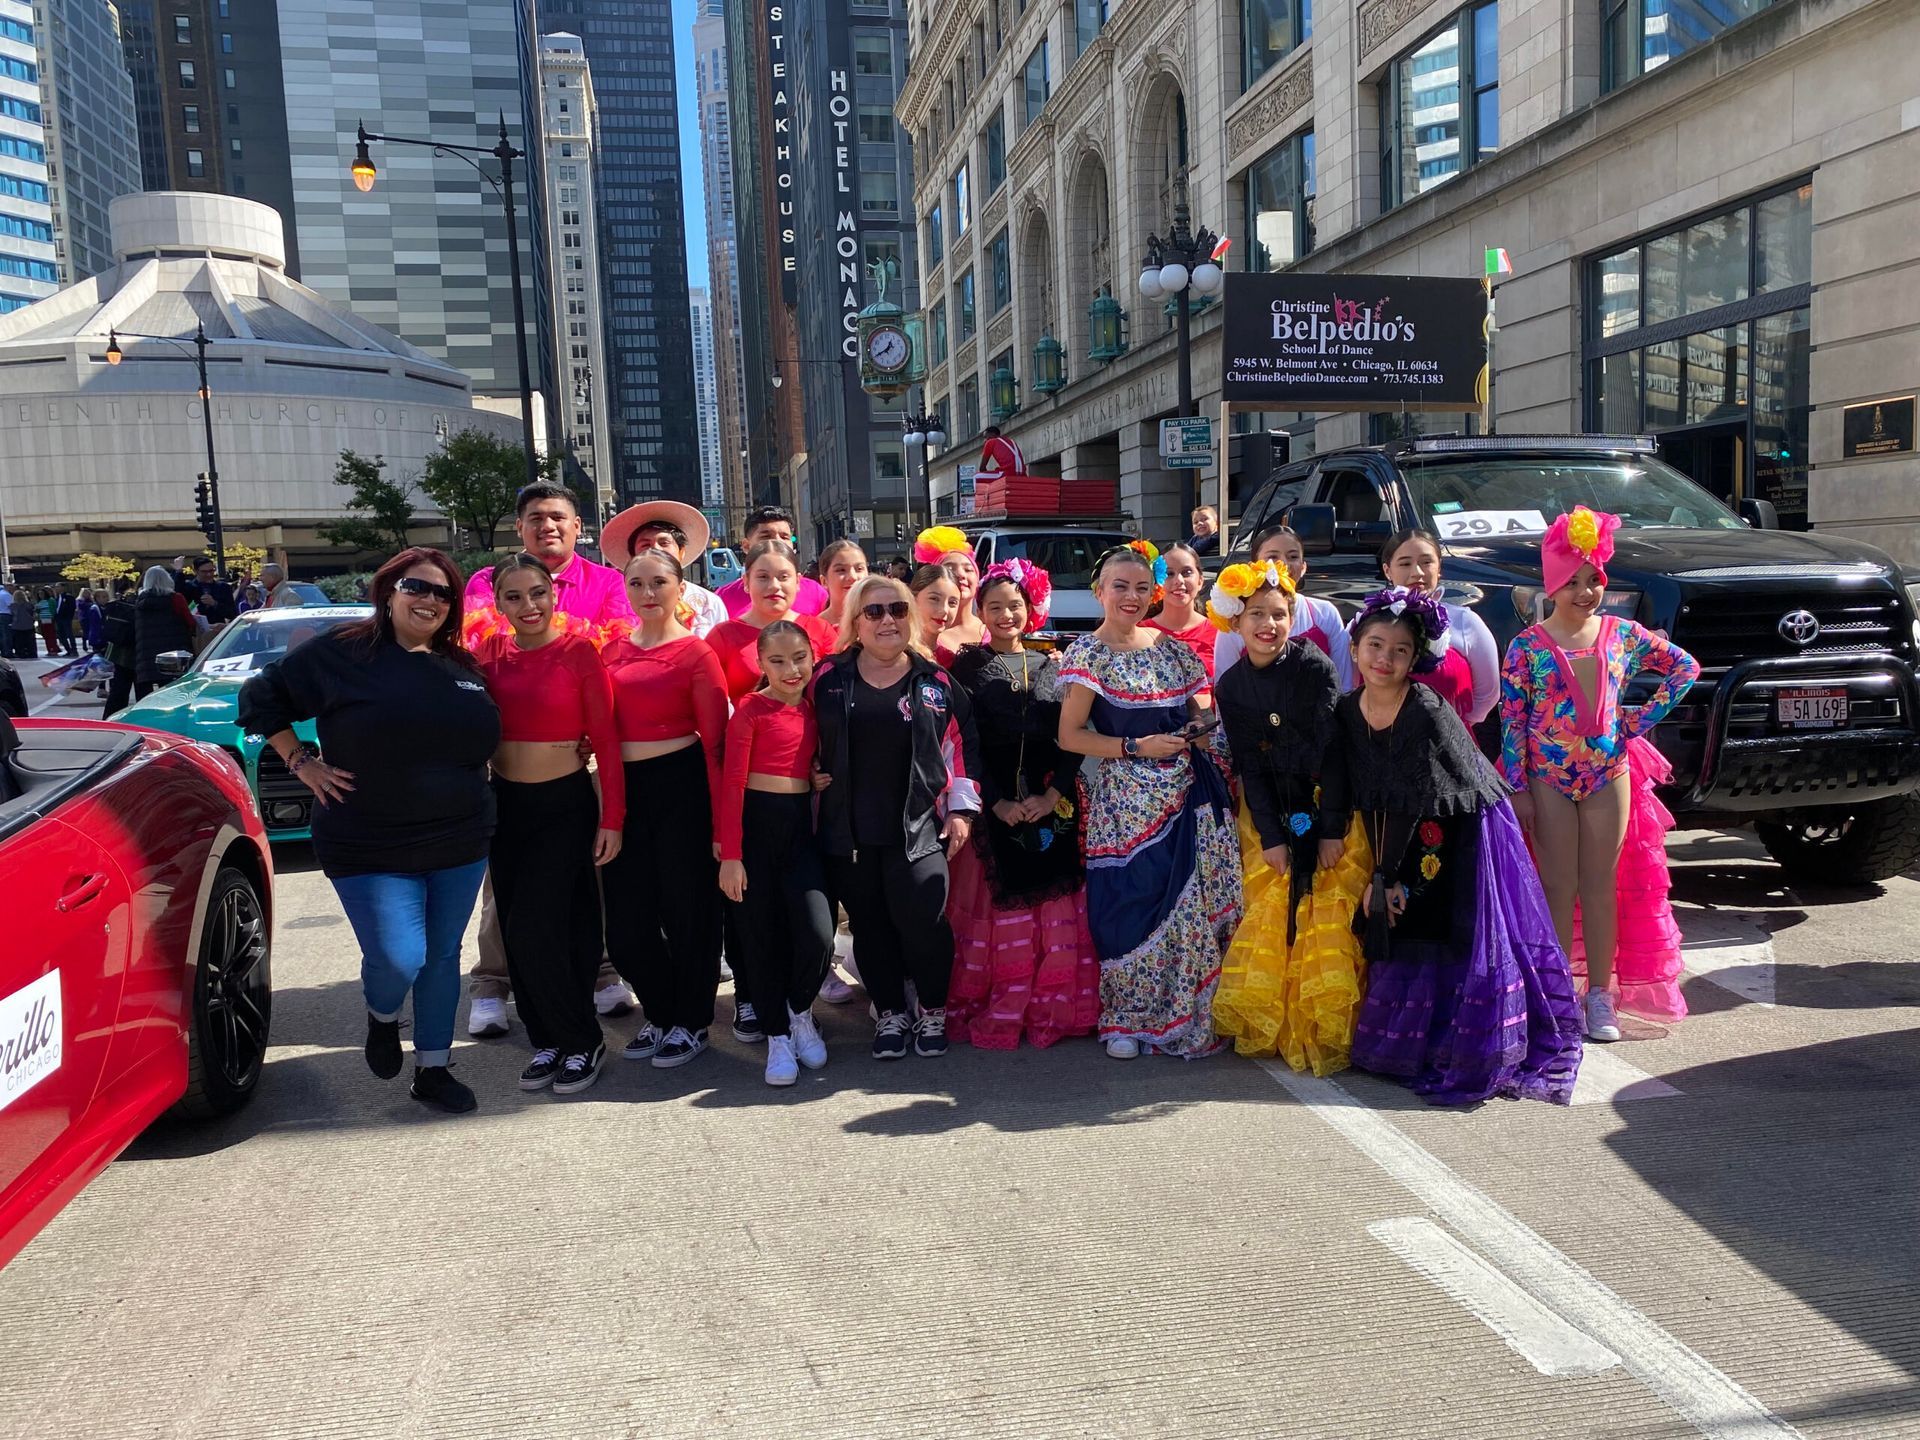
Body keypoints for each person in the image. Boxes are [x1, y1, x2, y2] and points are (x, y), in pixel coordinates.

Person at [239, 547, 500, 1114]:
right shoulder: (342, 653)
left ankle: (433, 1068)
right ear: (389, 591)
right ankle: (383, 1016)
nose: (429, 599)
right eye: (416, 586)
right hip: (367, 837)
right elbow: (260, 699)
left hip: (460, 836)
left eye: (442, 592)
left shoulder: (462, 666)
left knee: (440, 957)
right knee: (400, 955)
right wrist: (301, 762)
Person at [1322, 588, 1584, 1105]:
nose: (1385, 659)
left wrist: (1387, 877)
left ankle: (1464, 1046)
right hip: (1404, 824)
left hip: (1458, 823)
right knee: (1405, 925)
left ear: (1415, 660)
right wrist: (1355, 851)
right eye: (1375, 646)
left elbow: (1418, 801)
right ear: (1354, 650)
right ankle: (1412, 1043)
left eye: (1399, 651)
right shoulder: (1347, 710)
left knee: (1445, 928)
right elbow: (1347, 783)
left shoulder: (1424, 709)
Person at [1501, 507, 1700, 1041]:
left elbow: (1685, 667)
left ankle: (1599, 998)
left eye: (1594, 580)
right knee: (1557, 885)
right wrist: (1518, 786)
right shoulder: (1525, 648)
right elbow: (1512, 721)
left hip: (1608, 774)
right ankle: (1560, 991)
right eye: (1573, 582)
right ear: (1551, 586)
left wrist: (1638, 719)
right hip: (1548, 778)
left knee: (1601, 885)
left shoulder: (1623, 634)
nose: (1586, 592)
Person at [461, 480, 638, 1037]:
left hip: (581, 739)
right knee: (506, 889)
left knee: (590, 874)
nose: (548, 526)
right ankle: (493, 980)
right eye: (535, 518)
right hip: (510, 750)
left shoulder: (606, 582)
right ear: (520, 527)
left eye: (558, 517)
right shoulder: (485, 582)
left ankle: (602, 971)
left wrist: (577, 703)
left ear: (578, 525)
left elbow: (612, 643)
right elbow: (481, 640)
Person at [1055, 544, 1242, 1059]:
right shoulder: (1088, 654)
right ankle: (1126, 1020)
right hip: (1124, 801)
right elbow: (1070, 736)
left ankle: (1183, 1011)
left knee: (1188, 907)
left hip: (1187, 793)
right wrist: (1134, 747)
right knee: (1128, 902)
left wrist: (1201, 729)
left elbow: (1204, 714)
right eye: (1120, 586)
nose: (1132, 597)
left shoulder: (1171, 648)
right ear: (1100, 592)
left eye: (1141, 587)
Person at [472, 553, 626, 1096]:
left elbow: (605, 740)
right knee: (516, 928)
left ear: (553, 595)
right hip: (506, 806)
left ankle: (583, 1040)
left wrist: (612, 818)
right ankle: (549, 1041)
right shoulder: (488, 654)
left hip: (564, 804)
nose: (528, 606)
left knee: (550, 928)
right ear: (498, 604)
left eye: (537, 593)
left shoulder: (579, 652)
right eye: (513, 597)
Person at [812, 573, 981, 1059]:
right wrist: (808, 769)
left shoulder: (936, 681)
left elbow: (964, 746)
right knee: (869, 926)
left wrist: (963, 811)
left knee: (924, 920)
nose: (888, 620)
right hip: (850, 830)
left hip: (919, 826)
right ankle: (889, 1012)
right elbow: (797, 733)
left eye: (898, 609)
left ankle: (930, 1011)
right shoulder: (827, 678)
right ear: (856, 622)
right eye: (875, 611)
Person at [1204, 562, 1364, 1074]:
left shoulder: (1314, 666)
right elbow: (1250, 762)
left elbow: (1334, 751)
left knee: (1324, 907)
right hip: (1269, 806)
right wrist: (1272, 835)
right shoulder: (1230, 686)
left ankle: (1319, 1018)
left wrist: (1332, 827)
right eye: (1256, 615)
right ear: (1236, 621)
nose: (1267, 625)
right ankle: (1275, 1016)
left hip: (1325, 799)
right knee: (1274, 901)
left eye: (1279, 614)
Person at [945, 560, 1098, 1049]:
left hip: (1053, 799)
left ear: (1031, 608)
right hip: (996, 808)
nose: (1006, 615)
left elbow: (1072, 738)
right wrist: (995, 803)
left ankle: (1054, 1006)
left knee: (1056, 905)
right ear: (981, 613)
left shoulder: (1054, 663)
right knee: (1002, 910)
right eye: (995, 607)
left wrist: (1052, 794)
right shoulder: (965, 667)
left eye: (1015, 605)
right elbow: (965, 740)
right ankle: (1006, 999)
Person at [600, 547, 731, 1067]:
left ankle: (692, 1020)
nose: (648, 593)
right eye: (637, 584)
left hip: (684, 785)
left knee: (688, 912)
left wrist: (723, 825)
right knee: (627, 927)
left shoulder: (697, 654)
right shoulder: (609, 652)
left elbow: (717, 744)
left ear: (681, 588)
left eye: (659, 582)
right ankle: (661, 1012)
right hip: (624, 788)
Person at [718, 621, 836, 1085]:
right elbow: (732, 784)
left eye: (800, 658)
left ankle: (800, 1010)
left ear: (812, 657)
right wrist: (731, 855)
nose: (791, 669)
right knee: (760, 939)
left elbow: (810, 764)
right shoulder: (750, 710)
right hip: (754, 834)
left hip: (799, 835)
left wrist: (813, 779)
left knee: (817, 932)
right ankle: (777, 1035)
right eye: (778, 661)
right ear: (760, 664)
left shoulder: (814, 710)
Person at [1379, 528, 1500, 724]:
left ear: (1439, 568)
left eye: (1426, 562)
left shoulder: (1465, 622)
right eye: (1405, 563)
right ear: (1387, 570)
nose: (1417, 572)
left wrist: (1455, 726)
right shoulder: (1369, 622)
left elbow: (1488, 695)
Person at [1214, 525, 1354, 692]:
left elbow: (1343, 683)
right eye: (1272, 556)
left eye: (1293, 557)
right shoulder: (1235, 619)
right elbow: (1224, 688)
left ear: (1303, 567)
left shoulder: (1325, 613)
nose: (1283, 565)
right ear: (1254, 566)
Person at [705, 540, 838, 702]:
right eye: (763, 577)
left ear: (797, 582)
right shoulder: (723, 636)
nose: (774, 586)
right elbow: (708, 700)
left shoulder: (820, 629)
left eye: (783, 577)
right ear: (746, 582)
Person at [598, 500, 728, 637]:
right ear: (632, 556)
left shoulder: (709, 603)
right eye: (645, 545)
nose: (655, 549)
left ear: (682, 550)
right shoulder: (617, 601)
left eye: (664, 543)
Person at [715, 506, 830, 618]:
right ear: (746, 546)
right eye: (766, 536)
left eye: (784, 537)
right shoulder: (722, 599)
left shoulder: (816, 593)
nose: (777, 542)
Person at [1145, 542, 1217, 695]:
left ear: (1200, 581)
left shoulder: (1221, 633)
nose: (1179, 580)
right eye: (1169, 573)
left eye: (1186, 572)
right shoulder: (1141, 632)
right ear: (1157, 582)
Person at [913, 526, 987, 652]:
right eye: (950, 569)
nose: (961, 575)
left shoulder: (991, 628)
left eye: (968, 569)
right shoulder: (917, 635)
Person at [132, 567, 196, 701]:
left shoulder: (140, 601)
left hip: (146, 655)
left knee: (146, 696)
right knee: (174, 695)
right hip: (173, 655)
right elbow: (190, 622)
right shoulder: (175, 598)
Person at [908, 563, 962, 664]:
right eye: (934, 599)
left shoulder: (951, 660)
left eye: (952, 603)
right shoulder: (897, 652)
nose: (945, 609)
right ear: (913, 599)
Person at [816, 537, 870, 634]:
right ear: (824, 581)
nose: (852, 577)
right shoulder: (813, 628)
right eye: (841, 570)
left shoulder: (882, 622)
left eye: (859, 569)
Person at [99, 580, 137, 714]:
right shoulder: (145, 603)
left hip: (119, 652)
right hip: (137, 653)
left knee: (118, 693)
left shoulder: (124, 602)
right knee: (143, 694)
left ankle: (110, 721)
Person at [189, 557, 237, 626]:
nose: (209, 574)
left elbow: (232, 613)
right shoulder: (188, 587)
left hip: (218, 629)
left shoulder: (223, 587)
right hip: (195, 631)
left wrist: (214, 603)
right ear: (195, 571)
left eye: (211, 571)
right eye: (204, 572)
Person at [53, 584, 78, 657]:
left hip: (66, 618)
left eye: (58, 587)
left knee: (69, 634)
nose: (57, 588)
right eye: (56, 587)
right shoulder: (57, 597)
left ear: (63, 587)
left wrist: (69, 617)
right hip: (59, 618)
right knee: (61, 635)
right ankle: (68, 650)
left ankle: (74, 650)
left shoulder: (68, 597)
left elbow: (72, 607)